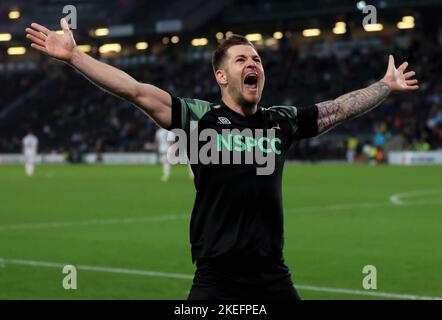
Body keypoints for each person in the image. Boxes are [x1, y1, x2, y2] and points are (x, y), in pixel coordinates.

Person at [25, 19, 419, 300]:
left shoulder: (280, 121)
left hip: (272, 272)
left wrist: (384, 86)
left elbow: (337, 109)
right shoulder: (201, 117)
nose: (253, 64)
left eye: (257, 60)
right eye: (242, 60)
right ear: (222, 77)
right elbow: (136, 91)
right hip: (217, 276)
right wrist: (76, 57)